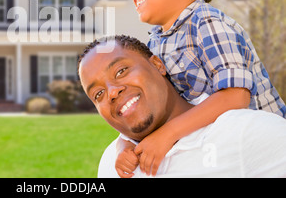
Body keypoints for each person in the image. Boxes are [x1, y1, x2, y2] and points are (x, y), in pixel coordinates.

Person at [111, 0, 286, 177]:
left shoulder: (206, 22)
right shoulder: (155, 42)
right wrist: (125, 145)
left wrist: (167, 134)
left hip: (260, 153)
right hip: (215, 150)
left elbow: (235, 97)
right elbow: (156, 105)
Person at [77, 35, 286, 177]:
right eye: (99, 94)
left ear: (157, 65)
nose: (112, 92)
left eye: (121, 71)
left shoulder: (246, 133)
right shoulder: (111, 163)